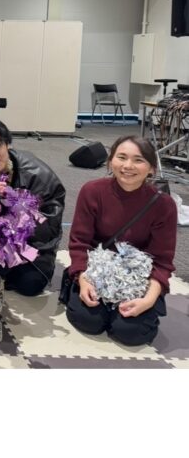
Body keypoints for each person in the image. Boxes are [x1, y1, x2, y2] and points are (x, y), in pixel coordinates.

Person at [65, 136, 177, 346]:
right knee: (88, 321)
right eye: (122, 157)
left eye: (138, 160)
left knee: (131, 333)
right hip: (95, 272)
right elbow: (79, 242)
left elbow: (162, 260)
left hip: (138, 279)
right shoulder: (92, 191)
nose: (128, 166)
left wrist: (149, 299)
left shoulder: (164, 205)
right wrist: (83, 279)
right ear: (110, 162)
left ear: (152, 168)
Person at [0, 117, 65, 296]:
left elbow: (50, 228)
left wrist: (19, 211)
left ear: (7, 144)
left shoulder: (39, 175)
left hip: (29, 244)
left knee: (31, 283)